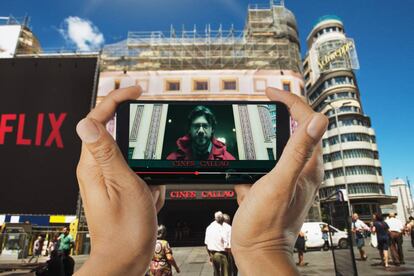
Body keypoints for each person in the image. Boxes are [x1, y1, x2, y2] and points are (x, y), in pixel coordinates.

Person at [74, 86, 328, 275]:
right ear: (190, 130)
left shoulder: (228, 156)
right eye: (195, 126)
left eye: (205, 126)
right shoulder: (173, 156)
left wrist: (115, 257)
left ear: (211, 130)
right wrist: (265, 249)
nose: (200, 130)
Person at [166, 105, 235, 160]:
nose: (201, 131)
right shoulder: (173, 159)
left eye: (205, 126)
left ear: (212, 129)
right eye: (196, 126)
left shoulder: (228, 159)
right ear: (189, 129)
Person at [205, 211, 230, 276]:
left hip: (213, 254)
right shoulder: (226, 228)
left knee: (216, 273)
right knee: (226, 273)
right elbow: (228, 245)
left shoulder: (209, 227)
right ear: (223, 220)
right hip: (223, 254)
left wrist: (210, 256)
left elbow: (206, 244)